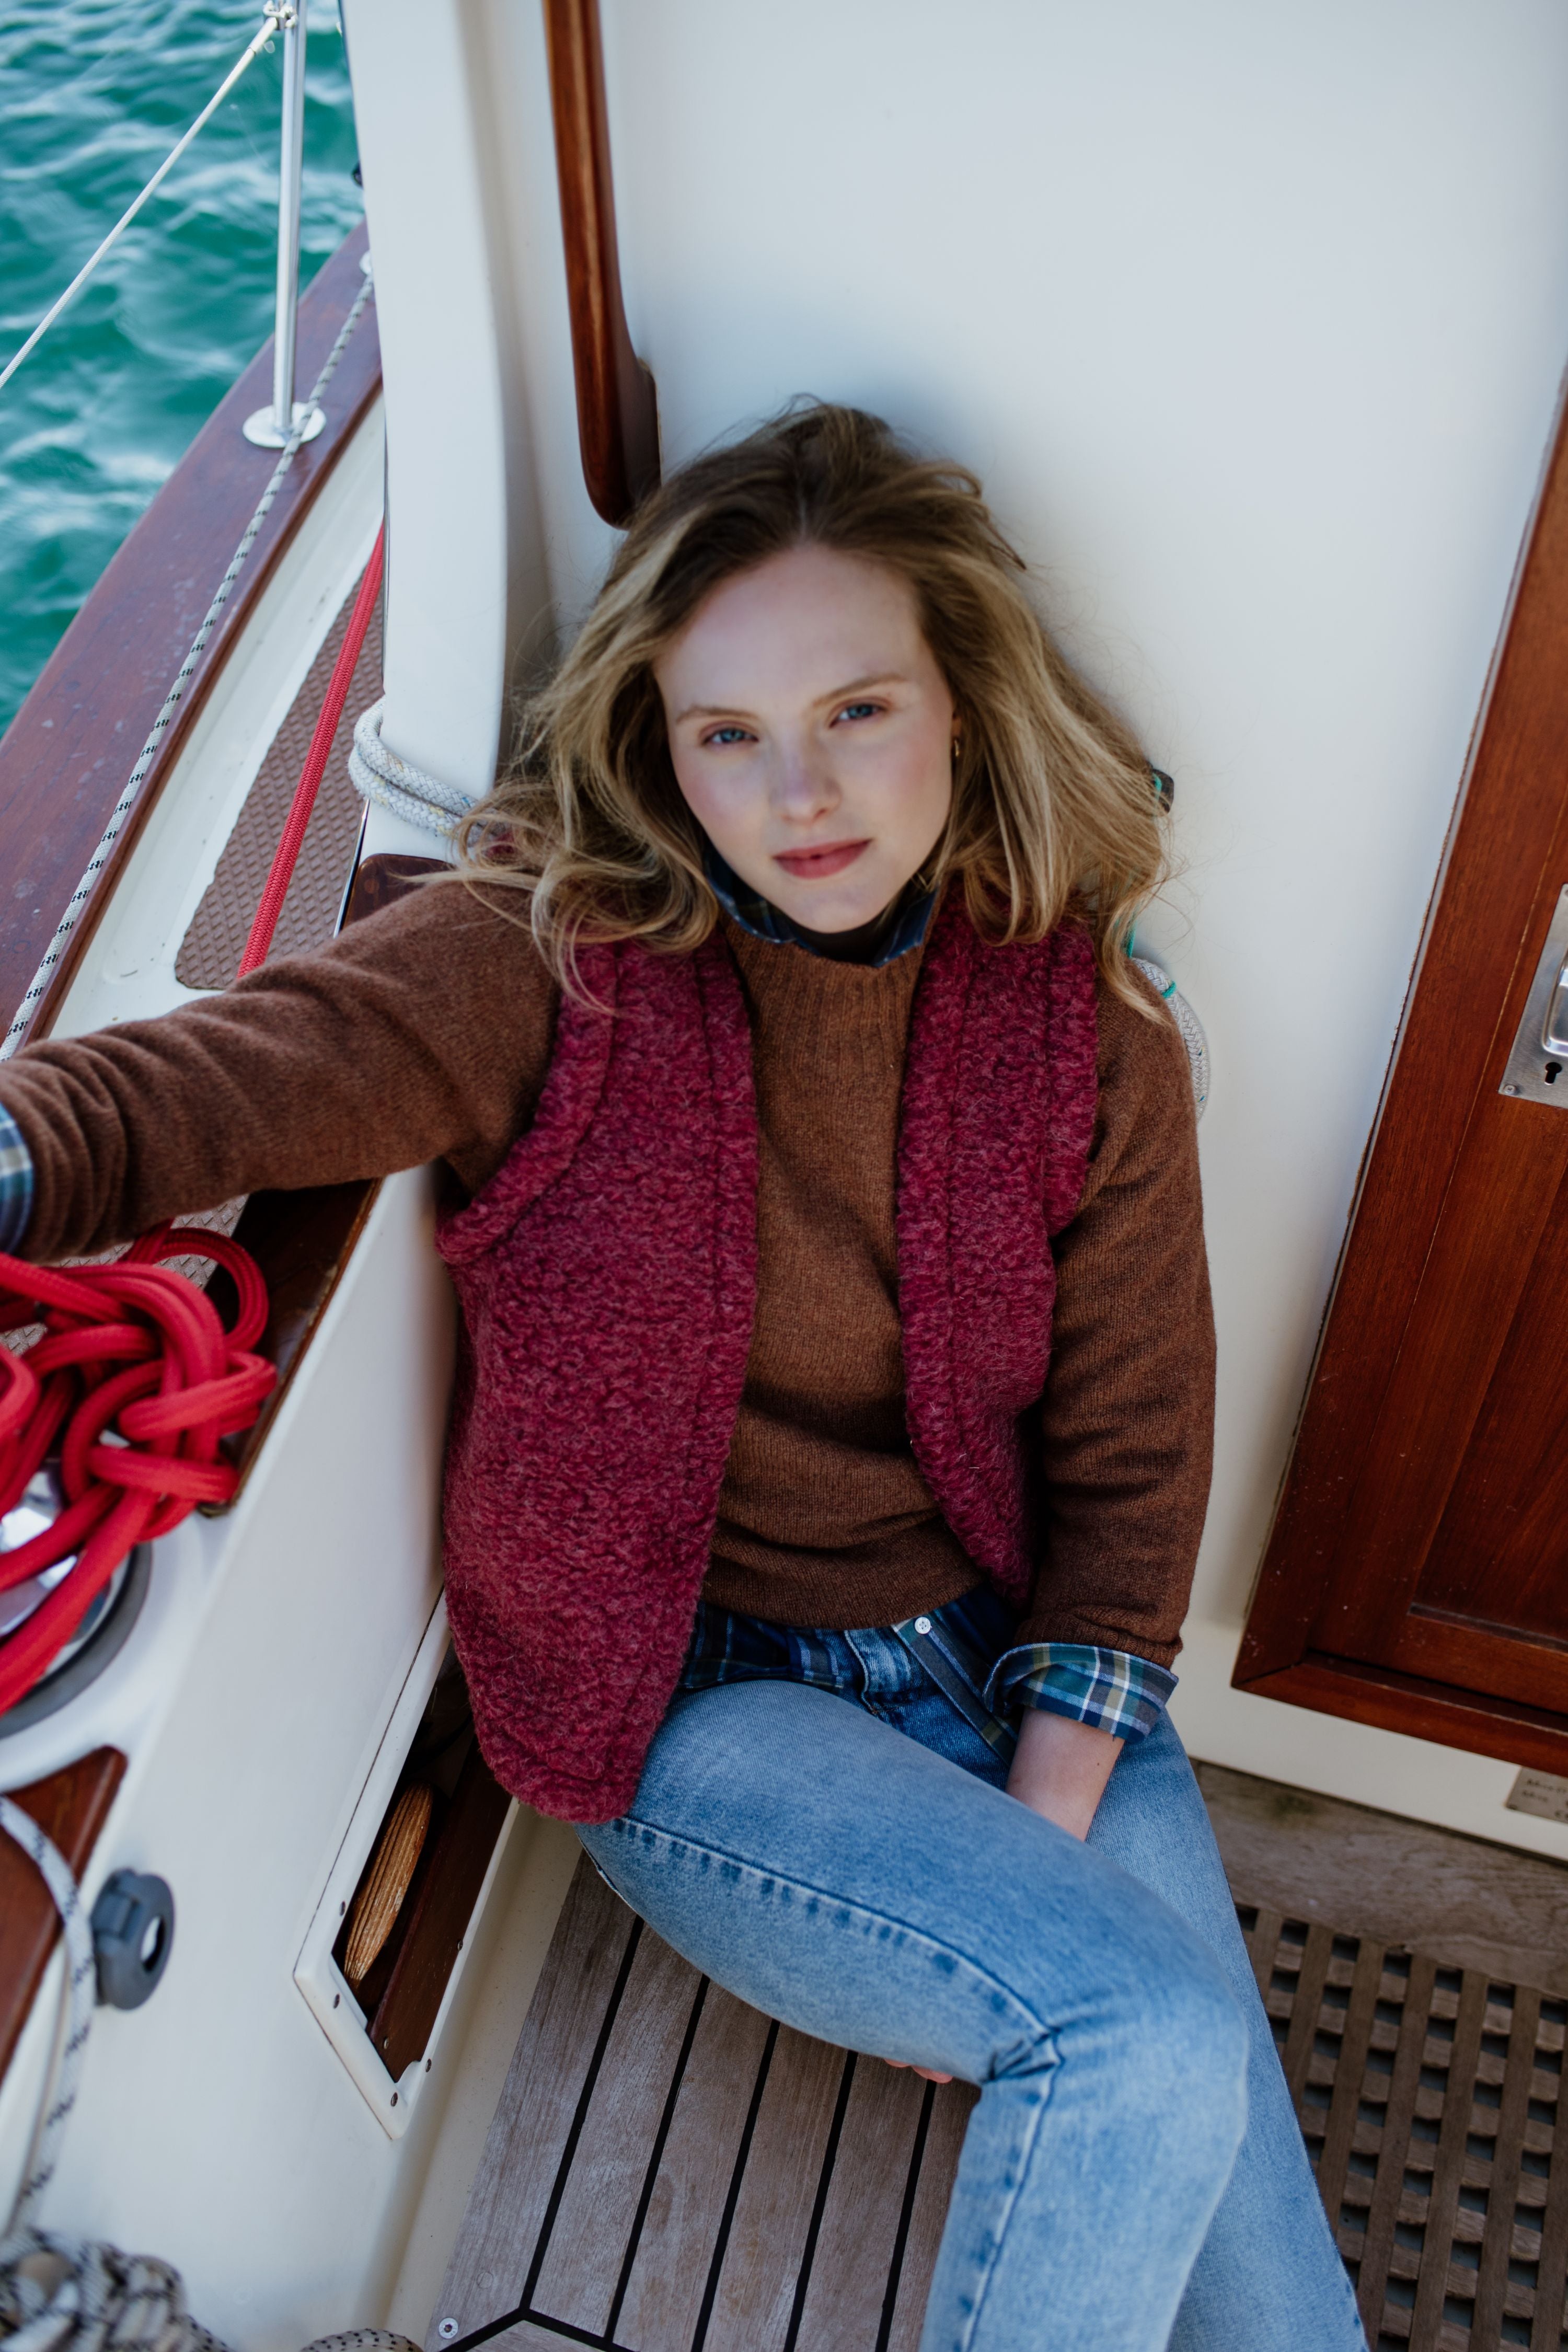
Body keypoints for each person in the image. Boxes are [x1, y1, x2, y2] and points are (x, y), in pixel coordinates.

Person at [0, 405, 1365, 2352]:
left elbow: (1137, 1456)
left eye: (856, 711)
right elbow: (212, 1078)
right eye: (728, 732)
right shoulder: (547, 963)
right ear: (661, 746)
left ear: (960, 710)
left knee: (1265, 2276)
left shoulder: (1087, 1031)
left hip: (1019, 1663)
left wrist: (1019, 1859)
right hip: (699, 1691)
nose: (799, 790)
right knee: (1134, 2028)